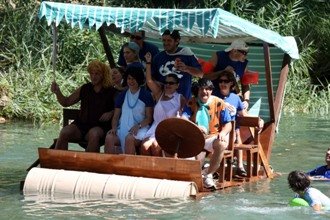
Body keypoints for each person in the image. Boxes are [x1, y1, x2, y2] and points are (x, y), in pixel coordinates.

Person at [51, 60, 115, 152]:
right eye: (91, 73)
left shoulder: (110, 91)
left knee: (94, 133)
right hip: (81, 125)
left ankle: (88, 164)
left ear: (103, 75)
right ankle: (58, 161)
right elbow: (66, 102)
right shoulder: (85, 88)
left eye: (97, 74)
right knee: (65, 131)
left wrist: (111, 112)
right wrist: (57, 91)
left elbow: (121, 108)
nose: (93, 76)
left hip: (100, 127)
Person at [182, 78, 232, 189]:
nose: (205, 92)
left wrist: (223, 133)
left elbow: (228, 124)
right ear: (197, 90)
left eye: (208, 89)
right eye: (202, 89)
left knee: (221, 144)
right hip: (194, 137)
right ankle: (188, 178)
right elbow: (183, 118)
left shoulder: (219, 102)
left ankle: (208, 175)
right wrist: (196, 127)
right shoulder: (192, 102)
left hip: (212, 137)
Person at [141, 52, 186, 156]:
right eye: (166, 82)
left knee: (156, 146)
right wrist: (148, 62)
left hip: (169, 130)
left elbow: (185, 113)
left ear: (177, 85)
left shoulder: (180, 98)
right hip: (155, 127)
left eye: (171, 83)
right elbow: (149, 80)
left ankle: (158, 171)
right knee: (144, 146)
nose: (168, 85)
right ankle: (146, 171)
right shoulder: (159, 94)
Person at [104, 66, 154, 155]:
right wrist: (114, 128)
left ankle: (128, 168)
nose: (131, 81)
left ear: (139, 79)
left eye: (134, 79)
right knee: (109, 137)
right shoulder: (122, 95)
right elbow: (115, 117)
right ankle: (109, 167)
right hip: (122, 127)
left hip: (140, 128)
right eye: (129, 78)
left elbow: (149, 118)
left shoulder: (146, 95)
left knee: (129, 138)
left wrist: (138, 126)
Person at [152, 29, 203, 100]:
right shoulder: (158, 57)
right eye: (164, 40)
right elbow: (152, 78)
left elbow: (200, 74)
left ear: (177, 41)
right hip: (163, 101)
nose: (166, 43)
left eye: (169, 40)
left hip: (183, 101)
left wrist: (186, 68)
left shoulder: (187, 54)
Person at [205, 40, 250, 109]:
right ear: (234, 51)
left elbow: (245, 84)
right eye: (244, 52)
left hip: (231, 98)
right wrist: (223, 72)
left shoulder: (244, 64)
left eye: (247, 53)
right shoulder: (218, 56)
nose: (246, 55)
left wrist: (246, 100)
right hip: (213, 97)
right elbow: (205, 77)